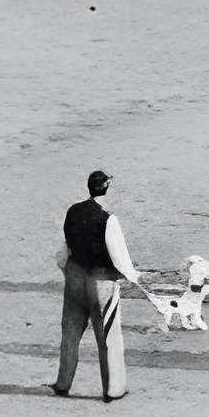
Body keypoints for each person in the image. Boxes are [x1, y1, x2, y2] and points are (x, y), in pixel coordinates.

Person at [55, 169, 147, 402]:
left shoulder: (73, 211)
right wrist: (133, 276)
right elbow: (118, 256)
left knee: (70, 333)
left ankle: (63, 383)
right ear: (107, 187)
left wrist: (69, 271)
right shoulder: (108, 218)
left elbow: (63, 251)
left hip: (75, 275)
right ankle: (113, 389)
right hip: (101, 280)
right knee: (107, 335)